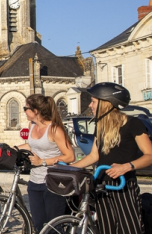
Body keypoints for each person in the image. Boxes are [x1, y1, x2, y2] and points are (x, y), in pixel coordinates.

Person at [71, 82, 152, 234]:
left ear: (106, 103)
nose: (90, 105)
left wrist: (126, 166)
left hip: (123, 185)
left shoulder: (133, 124)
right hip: (101, 184)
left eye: (93, 101)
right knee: (106, 229)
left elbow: (150, 155)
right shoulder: (100, 126)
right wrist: (69, 168)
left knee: (130, 229)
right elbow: (94, 156)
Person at [17, 94, 75, 233]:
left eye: (26, 108)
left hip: (53, 182)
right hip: (34, 182)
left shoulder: (54, 129)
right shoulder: (32, 125)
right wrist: (10, 149)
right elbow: (32, 146)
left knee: (53, 227)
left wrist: (42, 162)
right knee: (38, 225)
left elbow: (70, 156)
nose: (24, 111)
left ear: (35, 111)